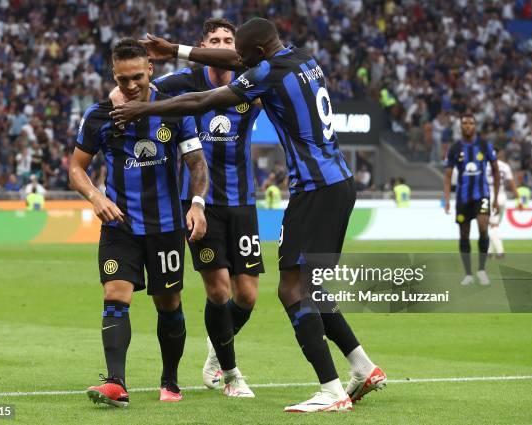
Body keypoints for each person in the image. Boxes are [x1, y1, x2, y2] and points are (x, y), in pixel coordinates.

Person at [110, 18, 386, 413]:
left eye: (238, 50)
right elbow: (216, 72)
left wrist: (146, 109)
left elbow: (202, 101)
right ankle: (363, 367)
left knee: (292, 290)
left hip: (314, 189)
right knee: (309, 287)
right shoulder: (303, 59)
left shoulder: (266, 76)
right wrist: (176, 52)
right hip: (339, 183)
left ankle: (331, 390)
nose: (232, 55)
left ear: (253, 55)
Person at [110, 18, 261, 398]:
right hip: (196, 202)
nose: (224, 45)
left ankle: (216, 350)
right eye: (216, 40)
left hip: (242, 200)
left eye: (229, 40)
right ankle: (231, 373)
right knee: (218, 290)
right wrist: (116, 97)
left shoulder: (252, 85)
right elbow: (136, 88)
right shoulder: (183, 82)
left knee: (247, 295)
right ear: (203, 44)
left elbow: (266, 75)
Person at [69, 38, 208, 407]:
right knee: (115, 295)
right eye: (121, 78)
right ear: (113, 74)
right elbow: (76, 168)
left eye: (136, 77)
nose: (130, 85)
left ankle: (171, 380)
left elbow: (196, 163)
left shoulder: (175, 109)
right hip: (120, 225)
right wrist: (96, 197)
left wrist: (197, 204)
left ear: (150, 69)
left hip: (165, 225)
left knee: (168, 302)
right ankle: (116, 383)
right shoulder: (99, 115)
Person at [443, 113, 499, 286]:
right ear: (460, 126)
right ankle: (468, 273)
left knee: (483, 227)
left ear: (475, 126)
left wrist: (495, 197)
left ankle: (481, 270)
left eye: (471, 123)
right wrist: (447, 199)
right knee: (464, 234)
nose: (468, 126)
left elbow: (496, 171)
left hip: (482, 195)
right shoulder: (454, 148)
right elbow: (447, 175)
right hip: (463, 198)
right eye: (465, 123)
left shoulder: (484, 145)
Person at [486, 149, 521, 258]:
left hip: (490, 197)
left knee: (492, 225)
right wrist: (518, 199)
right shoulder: (505, 166)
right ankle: (489, 252)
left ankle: (500, 251)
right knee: (495, 225)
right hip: (502, 196)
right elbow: (511, 183)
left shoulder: (485, 166)